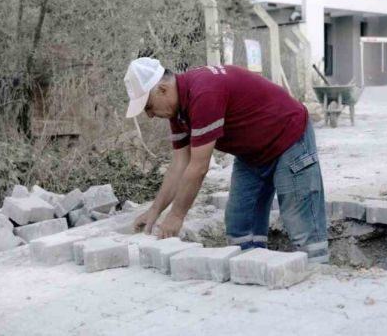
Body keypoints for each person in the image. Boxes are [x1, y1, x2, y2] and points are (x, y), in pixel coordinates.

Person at [124, 57, 329, 264]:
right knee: (240, 225)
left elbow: (198, 167)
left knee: (301, 225)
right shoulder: (177, 112)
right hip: (251, 153)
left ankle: (318, 274)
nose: (149, 115)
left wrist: (176, 216)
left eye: (148, 107)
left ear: (162, 89)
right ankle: (254, 273)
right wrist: (154, 211)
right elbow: (179, 165)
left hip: (289, 139)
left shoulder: (204, 93)